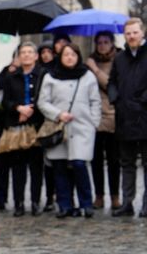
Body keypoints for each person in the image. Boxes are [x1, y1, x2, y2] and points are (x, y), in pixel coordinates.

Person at [36, 43, 101, 218]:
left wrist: (94, 122)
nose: (69, 58)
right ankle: (65, 204)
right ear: (60, 57)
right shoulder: (51, 76)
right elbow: (42, 102)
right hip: (59, 129)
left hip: (82, 128)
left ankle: (86, 203)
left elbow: (95, 101)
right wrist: (58, 114)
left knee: (79, 165)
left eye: (73, 54)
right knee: (59, 167)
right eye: (66, 55)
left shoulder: (87, 76)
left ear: (78, 56)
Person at [0, 42, 46, 215]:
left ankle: (35, 201)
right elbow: (5, 101)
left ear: (35, 56)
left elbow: (45, 97)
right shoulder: (12, 77)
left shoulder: (42, 74)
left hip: (36, 126)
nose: (26, 55)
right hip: (17, 127)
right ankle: (18, 202)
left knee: (36, 167)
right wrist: (18, 108)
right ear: (19, 56)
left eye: (29, 52)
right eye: (23, 52)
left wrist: (31, 110)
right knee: (18, 167)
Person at [108, 17, 147, 217]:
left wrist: (141, 101)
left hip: (144, 116)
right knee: (127, 163)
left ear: (142, 33)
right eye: (128, 33)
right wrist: (115, 98)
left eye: (135, 32)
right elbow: (112, 81)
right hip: (124, 117)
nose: (132, 36)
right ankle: (127, 202)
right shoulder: (120, 58)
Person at [86, 31, 120, 210]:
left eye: (106, 42)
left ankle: (115, 195)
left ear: (112, 43)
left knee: (114, 160)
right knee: (96, 161)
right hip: (95, 118)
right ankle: (99, 195)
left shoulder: (119, 61)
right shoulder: (89, 62)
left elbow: (112, 86)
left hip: (113, 117)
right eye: (99, 42)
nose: (102, 45)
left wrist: (96, 70)